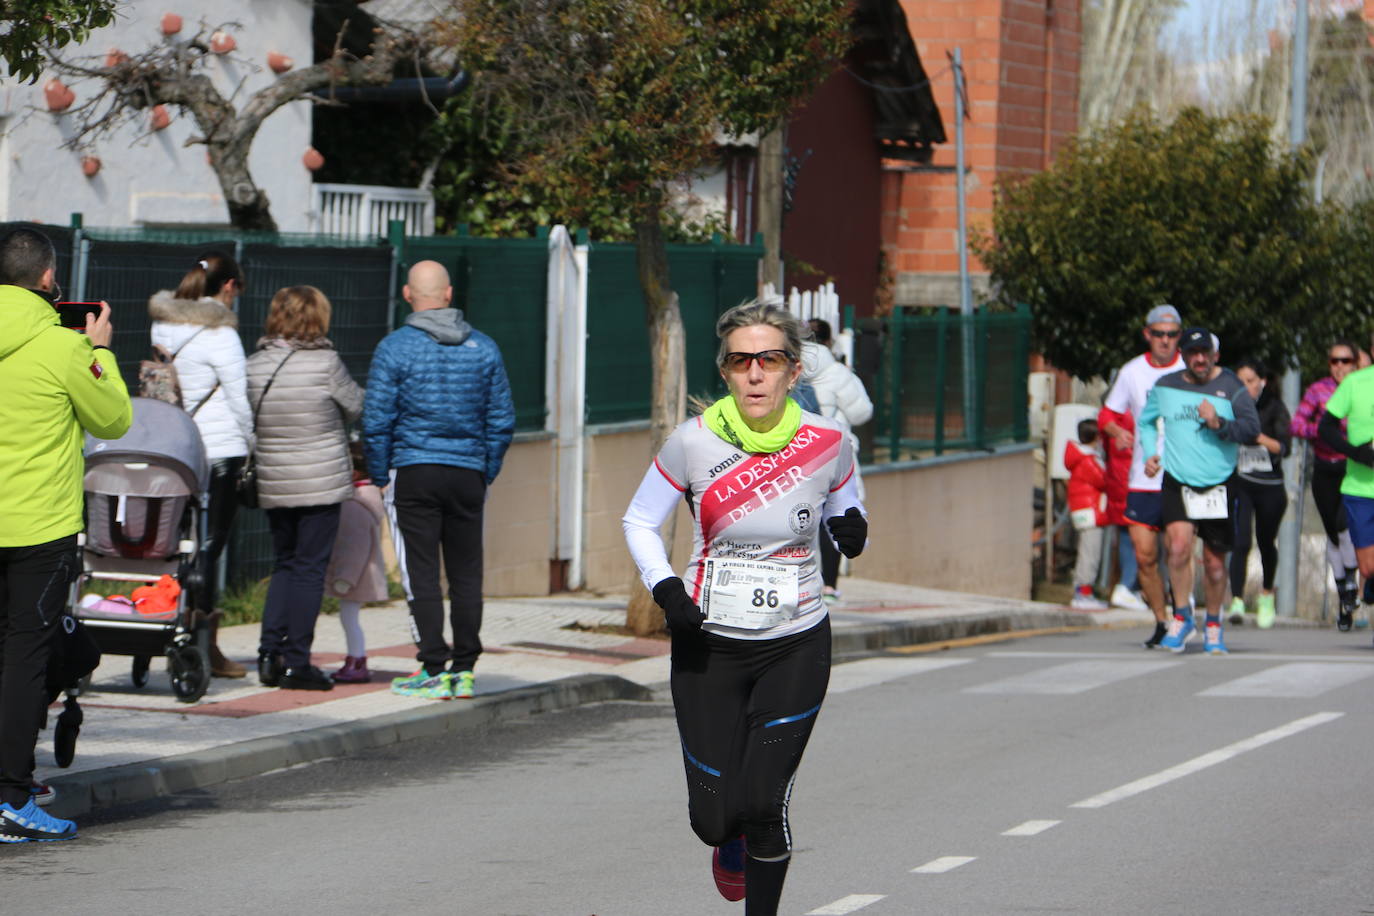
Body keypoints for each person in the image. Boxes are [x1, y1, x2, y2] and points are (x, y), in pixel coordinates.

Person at [622, 300, 867, 916]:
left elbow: (843, 497)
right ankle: (725, 835)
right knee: (713, 818)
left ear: (793, 370)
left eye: (770, 359)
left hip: (797, 642)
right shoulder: (693, 443)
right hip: (710, 646)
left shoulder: (829, 441)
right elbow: (640, 520)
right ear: (726, 371)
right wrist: (666, 590)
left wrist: (852, 524)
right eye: (741, 361)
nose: (755, 374)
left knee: (763, 802)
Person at [0, 227, 132, 841]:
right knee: (24, 659)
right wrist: (97, 351)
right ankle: (10, 795)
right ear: (49, 280)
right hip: (37, 527)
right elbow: (113, 417)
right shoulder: (62, 347)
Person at [363, 261, 515, 701]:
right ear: (448, 294)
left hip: (414, 471)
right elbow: (501, 419)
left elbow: (377, 420)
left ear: (409, 295)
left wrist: (379, 473)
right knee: (468, 573)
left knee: (421, 572)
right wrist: (485, 468)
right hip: (468, 473)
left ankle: (432, 666)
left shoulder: (394, 349)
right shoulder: (484, 348)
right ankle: (464, 669)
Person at [247, 286, 364, 691]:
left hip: (276, 480)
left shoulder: (255, 365)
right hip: (320, 482)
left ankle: (267, 653)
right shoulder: (326, 362)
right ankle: (297, 661)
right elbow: (355, 406)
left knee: (285, 564)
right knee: (310, 570)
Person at [148, 252, 253, 677]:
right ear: (228, 287)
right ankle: (203, 645)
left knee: (174, 543)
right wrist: (253, 444)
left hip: (176, 447)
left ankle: (162, 622)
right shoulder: (222, 334)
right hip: (221, 448)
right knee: (209, 547)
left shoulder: (163, 324)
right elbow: (239, 399)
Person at [1140, 327, 1260, 654]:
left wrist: (1218, 424)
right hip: (1178, 478)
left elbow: (1252, 428)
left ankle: (1213, 622)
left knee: (1215, 563)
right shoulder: (1167, 386)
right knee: (1177, 549)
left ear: (1215, 355)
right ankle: (1181, 617)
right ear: (1184, 355)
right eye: (1193, 353)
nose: (1200, 359)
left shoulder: (1231, 386)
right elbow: (1146, 420)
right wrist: (1151, 452)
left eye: (1205, 353)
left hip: (1219, 482)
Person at [1100, 304, 1184, 647]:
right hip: (1142, 479)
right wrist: (1115, 432)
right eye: (1159, 334)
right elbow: (1108, 412)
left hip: (1181, 476)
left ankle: (1182, 614)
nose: (1165, 341)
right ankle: (1162, 620)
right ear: (1147, 334)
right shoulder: (1132, 371)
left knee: (1177, 550)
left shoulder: (1188, 368)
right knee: (1145, 555)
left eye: (1172, 335)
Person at [1291, 340, 1362, 630]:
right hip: (1324, 468)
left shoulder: (1361, 387)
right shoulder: (1318, 390)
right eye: (1335, 361)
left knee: (1345, 525)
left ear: (1355, 363)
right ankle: (1345, 593)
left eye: (1346, 361)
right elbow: (1296, 424)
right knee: (1332, 533)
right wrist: (1321, 432)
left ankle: (1351, 585)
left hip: (1352, 467)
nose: (1340, 367)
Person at [801, 317, 872, 602]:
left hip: (796, 453)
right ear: (829, 341)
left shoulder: (786, 367)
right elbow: (861, 413)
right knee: (832, 517)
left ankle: (801, 582)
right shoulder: (837, 373)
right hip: (831, 454)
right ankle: (828, 585)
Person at [1227, 359, 1290, 629]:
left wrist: (1257, 437)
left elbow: (1283, 447)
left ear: (1262, 382)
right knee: (1240, 542)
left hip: (1270, 487)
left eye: (1251, 381)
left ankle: (1266, 594)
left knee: (1266, 542)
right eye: (1240, 382)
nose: (1246, 387)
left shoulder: (1275, 407)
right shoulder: (1232, 408)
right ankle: (1237, 600)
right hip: (1241, 482)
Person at [1319, 350, 1374, 644]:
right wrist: (1358, 453)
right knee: (1367, 568)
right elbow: (1325, 427)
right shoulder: (1356, 382)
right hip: (1361, 487)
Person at [324, 442, 388, 683]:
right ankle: (355, 659)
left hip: (355, 578)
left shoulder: (354, 504)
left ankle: (357, 660)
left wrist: (344, 578)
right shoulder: (365, 499)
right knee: (349, 619)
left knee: (349, 620)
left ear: (353, 472)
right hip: (360, 576)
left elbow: (354, 548)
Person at [1096, 403, 1147, 610]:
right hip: (1136, 482)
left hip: (1117, 482)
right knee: (1144, 540)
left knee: (1127, 536)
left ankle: (1130, 587)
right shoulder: (1134, 413)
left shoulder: (1111, 419)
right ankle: (1128, 585)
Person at [1065, 418, 1109, 609]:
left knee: (1086, 550)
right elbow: (1104, 481)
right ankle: (1083, 593)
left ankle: (1082, 591)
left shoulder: (1080, 457)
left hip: (1084, 509)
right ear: (1097, 437)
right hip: (1090, 510)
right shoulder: (1088, 460)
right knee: (1090, 552)